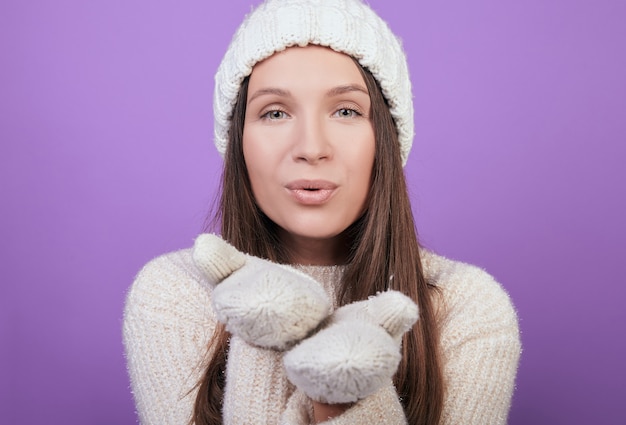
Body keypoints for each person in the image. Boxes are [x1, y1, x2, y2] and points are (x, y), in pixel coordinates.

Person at [123, 0, 521, 424]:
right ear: (239, 142)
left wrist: (346, 388)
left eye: (346, 110)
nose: (311, 148)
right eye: (274, 112)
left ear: (384, 138)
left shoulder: (465, 308)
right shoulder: (175, 294)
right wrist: (261, 332)